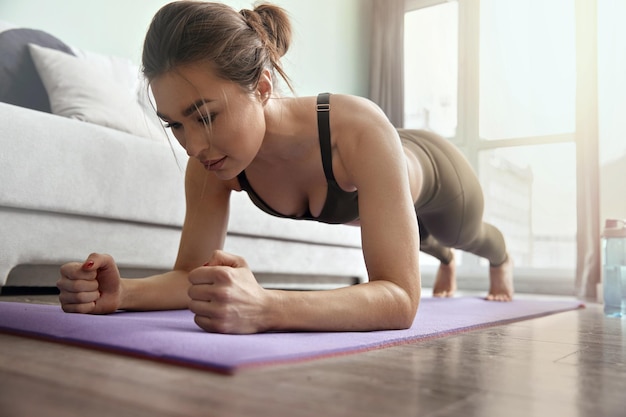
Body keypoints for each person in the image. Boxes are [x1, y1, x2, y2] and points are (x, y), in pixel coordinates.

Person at [57, 1, 514, 334]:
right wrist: (122, 295)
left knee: (464, 234)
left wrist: (266, 307)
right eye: (175, 124)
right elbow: (188, 276)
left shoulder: (359, 130)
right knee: (421, 240)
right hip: (383, 200)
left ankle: (493, 256)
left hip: (435, 171)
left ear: (260, 87)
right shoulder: (212, 165)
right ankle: (441, 255)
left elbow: (399, 300)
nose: (193, 145)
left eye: (206, 116)